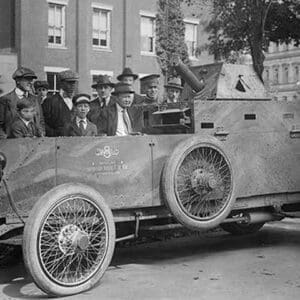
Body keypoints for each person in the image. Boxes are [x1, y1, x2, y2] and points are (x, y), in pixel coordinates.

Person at [0, 67, 45, 138]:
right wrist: (5, 140)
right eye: (27, 79)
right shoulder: (5, 100)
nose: (30, 82)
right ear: (18, 81)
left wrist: (41, 135)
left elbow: (41, 121)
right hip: (13, 145)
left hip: (34, 144)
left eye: (31, 80)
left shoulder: (35, 99)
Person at [42, 70, 79, 137]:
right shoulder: (50, 101)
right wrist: (56, 135)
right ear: (61, 83)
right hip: (57, 143)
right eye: (69, 82)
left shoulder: (78, 101)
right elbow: (43, 123)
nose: (72, 85)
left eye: (74, 82)